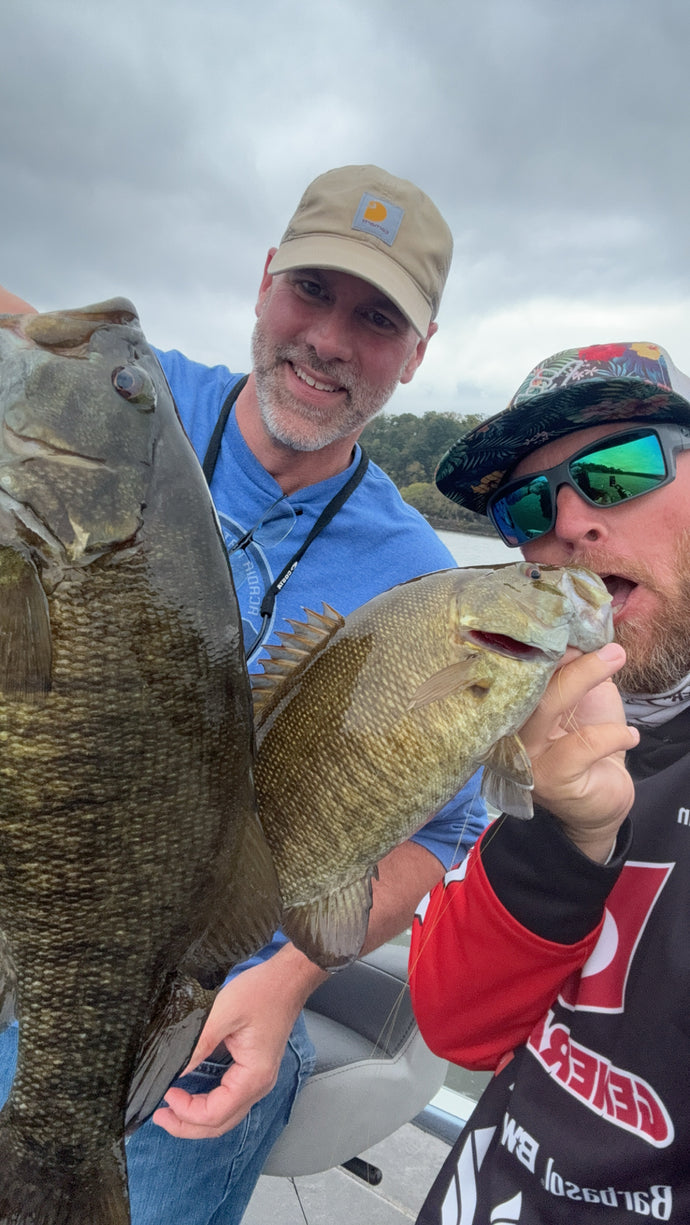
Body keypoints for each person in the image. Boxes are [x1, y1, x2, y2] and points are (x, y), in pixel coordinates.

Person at [0, 164, 488, 1224]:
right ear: (264, 282)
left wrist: (285, 986)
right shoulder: (132, 402)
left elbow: (445, 834)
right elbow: (37, 341)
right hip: (30, 917)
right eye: (311, 290)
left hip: (211, 1004)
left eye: (375, 318)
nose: (328, 340)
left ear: (418, 354)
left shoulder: (422, 589)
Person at [409, 339, 690, 1223]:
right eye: (528, 501)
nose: (568, 521)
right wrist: (566, 839)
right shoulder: (533, 720)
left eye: (617, 468)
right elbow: (456, 1023)